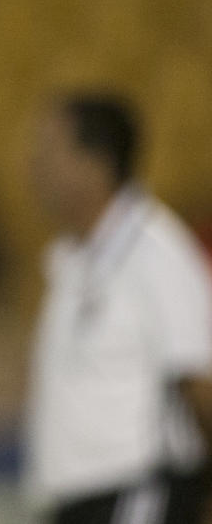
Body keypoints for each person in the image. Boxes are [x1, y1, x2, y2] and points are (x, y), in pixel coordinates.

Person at [23, 90, 212, 524]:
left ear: (97, 164)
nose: (35, 165)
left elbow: (199, 387)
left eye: (50, 150)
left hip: (138, 495)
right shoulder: (75, 259)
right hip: (77, 503)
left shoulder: (156, 254)